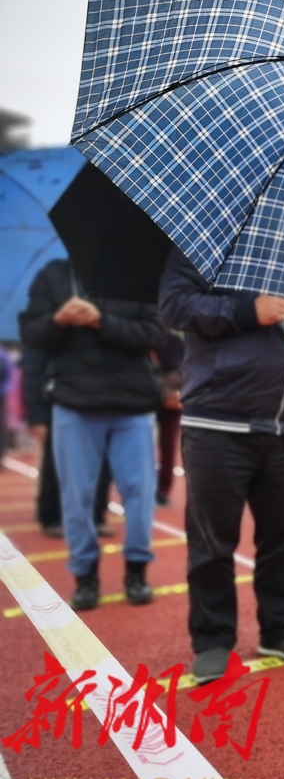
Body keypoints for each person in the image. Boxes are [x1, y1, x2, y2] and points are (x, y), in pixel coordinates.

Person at [158, 247, 284, 685]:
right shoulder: (206, 241)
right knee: (212, 540)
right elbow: (174, 305)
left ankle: (281, 629)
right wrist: (249, 310)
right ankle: (213, 639)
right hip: (216, 420)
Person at [18, 258, 165, 610]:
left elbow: (157, 334)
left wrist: (102, 320)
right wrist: (58, 320)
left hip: (133, 403)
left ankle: (137, 570)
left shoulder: (135, 274)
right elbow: (31, 336)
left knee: (140, 492)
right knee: (76, 496)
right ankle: (85, 575)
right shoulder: (52, 275)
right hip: (73, 402)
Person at [21, 344, 114, 537]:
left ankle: (96, 515)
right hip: (60, 399)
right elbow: (34, 372)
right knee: (57, 460)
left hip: (103, 400)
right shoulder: (46, 331)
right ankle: (52, 515)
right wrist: (37, 415)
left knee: (102, 462)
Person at [154, 330, 185, 507]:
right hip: (153, 397)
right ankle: (161, 491)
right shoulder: (176, 341)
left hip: (162, 399)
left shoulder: (175, 342)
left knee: (167, 446)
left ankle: (161, 490)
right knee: (167, 446)